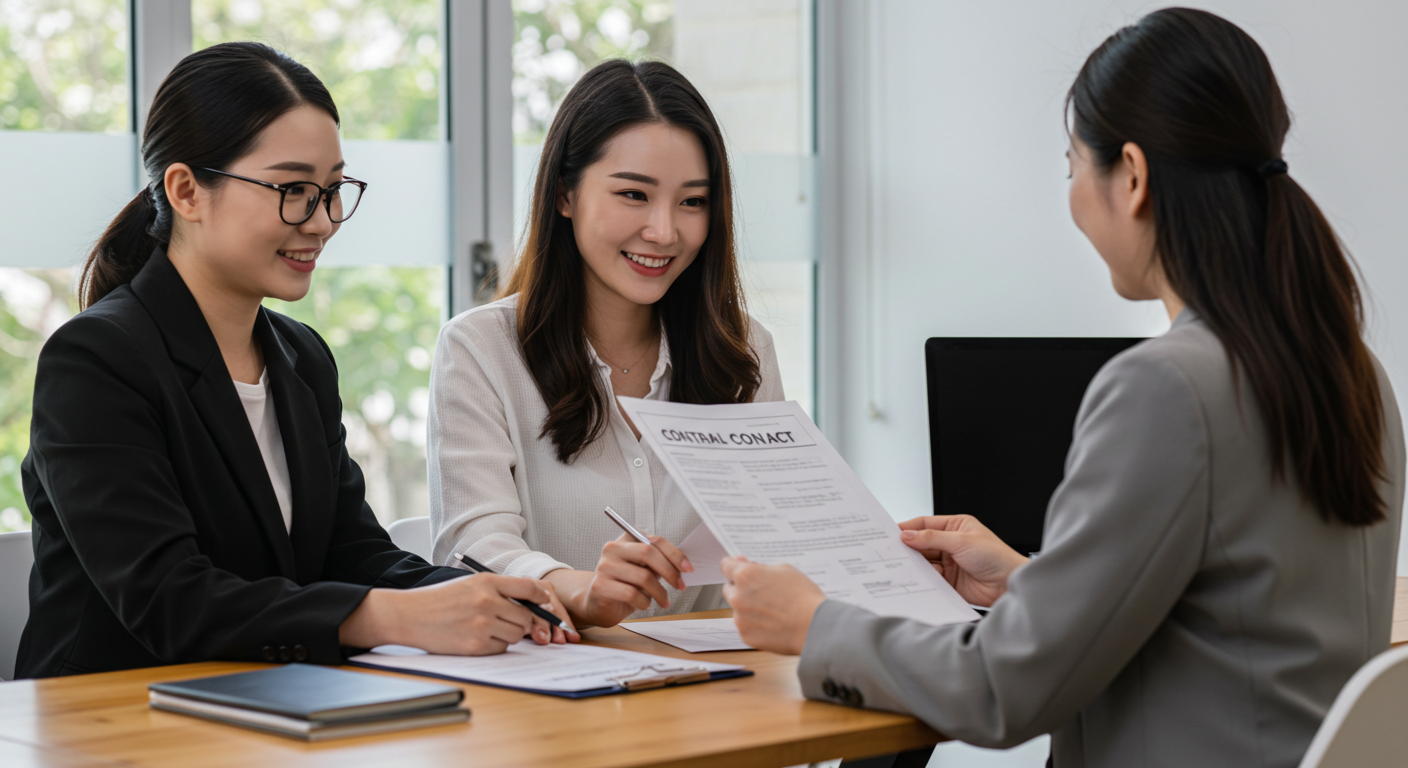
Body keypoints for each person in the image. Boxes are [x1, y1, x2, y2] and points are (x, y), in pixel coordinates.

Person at [721, 9, 1404, 768]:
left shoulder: (1168, 388)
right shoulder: (1351, 373)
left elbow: (1001, 690)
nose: (1073, 193)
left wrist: (816, 622)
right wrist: (1024, 579)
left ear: (1133, 177)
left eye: (1073, 164)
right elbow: (1227, 616)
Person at [16, 42, 571, 679]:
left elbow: (352, 550)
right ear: (187, 191)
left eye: (334, 190)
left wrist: (484, 597)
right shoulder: (96, 359)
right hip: (110, 718)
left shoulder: (301, 358)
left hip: (264, 702)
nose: (324, 221)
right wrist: (392, 618)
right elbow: (169, 601)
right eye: (294, 190)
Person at [428, 60, 784, 629]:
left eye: (692, 202)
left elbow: (774, 539)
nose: (665, 231)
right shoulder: (481, 348)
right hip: (555, 687)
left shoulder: (744, 350)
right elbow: (471, 546)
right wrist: (581, 591)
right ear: (566, 195)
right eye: (634, 195)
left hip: (725, 687)